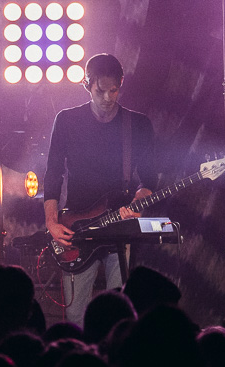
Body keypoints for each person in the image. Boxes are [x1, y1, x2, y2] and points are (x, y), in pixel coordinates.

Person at [44, 53, 158, 325]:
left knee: (119, 314)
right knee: (75, 315)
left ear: (121, 84)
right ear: (87, 85)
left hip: (119, 226)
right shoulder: (67, 120)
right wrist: (51, 222)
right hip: (77, 228)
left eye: (114, 90)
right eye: (100, 91)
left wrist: (139, 202)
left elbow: (150, 180)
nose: (107, 98)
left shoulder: (138, 125)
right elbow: (53, 174)